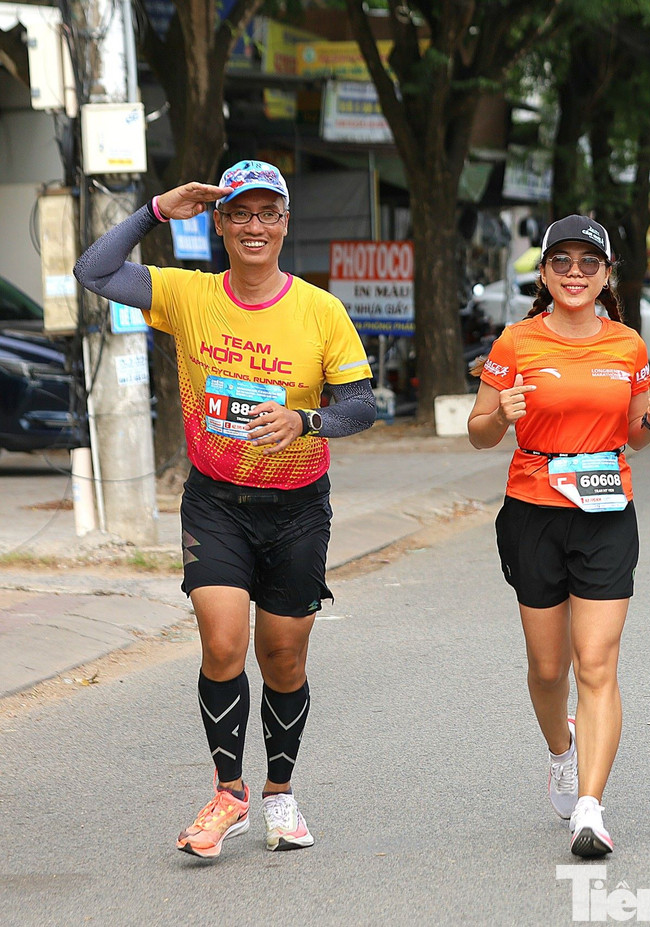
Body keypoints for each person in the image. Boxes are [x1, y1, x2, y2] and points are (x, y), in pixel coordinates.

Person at [72, 160, 377, 857]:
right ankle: (228, 792)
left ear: (285, 224)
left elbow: (361, 405)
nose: (254, 226)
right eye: (240, 213)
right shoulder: (187, 294)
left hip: (298, 505)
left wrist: (305, 422)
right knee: (220, 641)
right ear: (220, 223)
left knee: (284, 657)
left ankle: (281, 792)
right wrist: (155, 210)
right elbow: (93, 271)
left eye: (268, 213)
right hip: (216, 502)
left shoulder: (320, 309)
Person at [468, 215, 650, 858]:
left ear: (607, 275)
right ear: (545, 272)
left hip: (606, 512)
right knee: (547, 665)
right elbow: (479, 431)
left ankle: (590, 806)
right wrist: (498, 415)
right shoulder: (515, 343)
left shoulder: (627, 347)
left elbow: (635, 435)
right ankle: (561, 750)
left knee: (597, 662)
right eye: (562, 262)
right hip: (533, 509)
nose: (575, 274)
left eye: (589, 264)